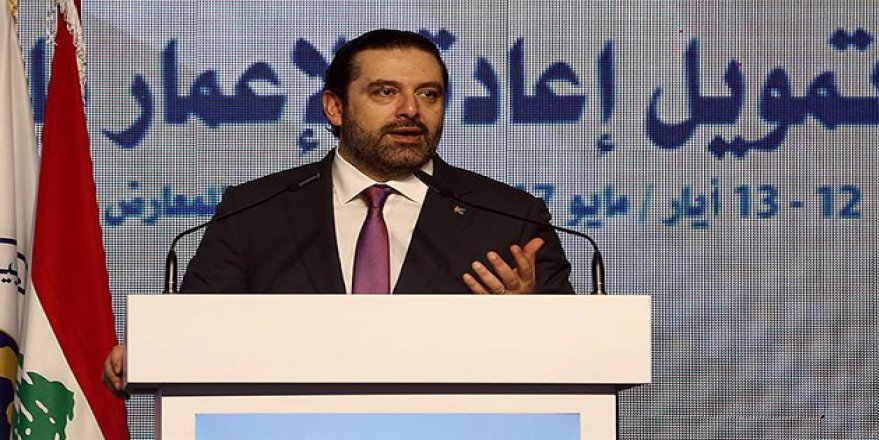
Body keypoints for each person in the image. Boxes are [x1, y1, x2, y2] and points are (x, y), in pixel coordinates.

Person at [103, 29, 573, 396]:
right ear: (334, 107)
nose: (411, 110)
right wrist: (151, 355)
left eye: (429, 94)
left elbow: (576, 352)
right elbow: (196, 332)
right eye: (385, 92)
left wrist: (532, 321)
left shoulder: (509, 218)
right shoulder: (255, 211)